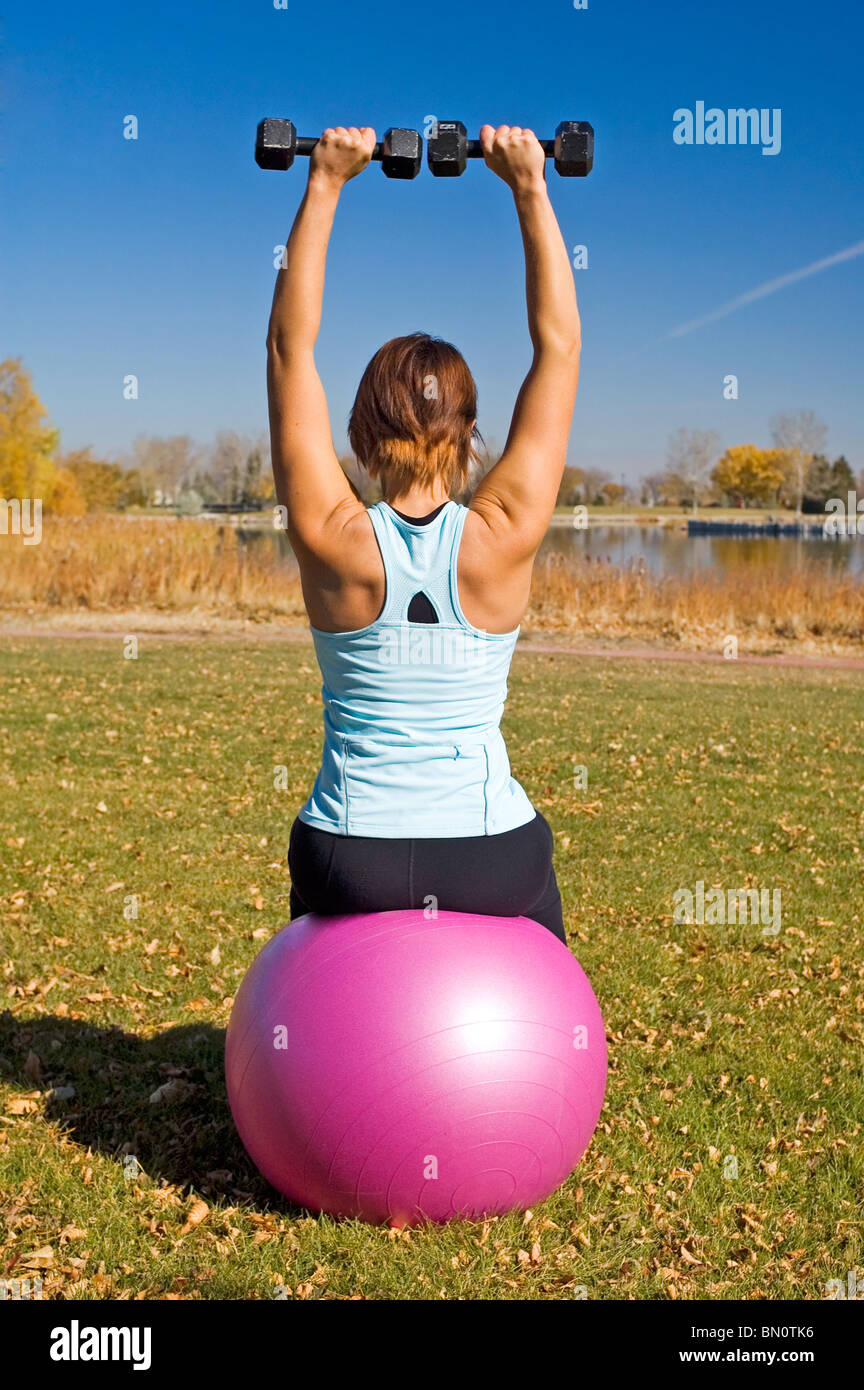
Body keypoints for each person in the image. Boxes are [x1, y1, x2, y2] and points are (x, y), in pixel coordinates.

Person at [267, 124, 581, 942]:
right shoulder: (502, 533)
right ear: (471, 431)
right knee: (542, 903)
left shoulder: (332, 535)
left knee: (314, 885)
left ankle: (311, 1056)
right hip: (489, 855)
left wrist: (326, 183)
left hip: (350, 854)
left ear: (362, 435)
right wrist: (530, 188)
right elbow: (559, 350)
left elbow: (288, 350)